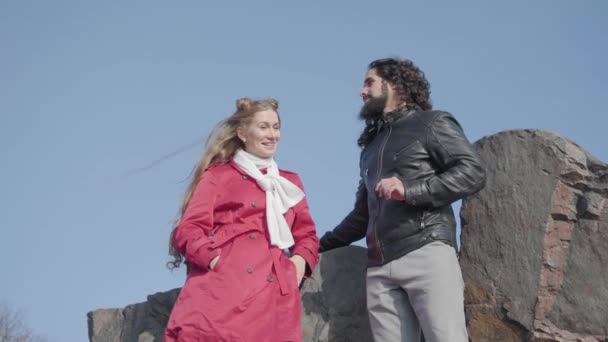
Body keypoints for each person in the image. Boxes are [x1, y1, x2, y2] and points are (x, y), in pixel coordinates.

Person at [318, 58, 486, 342]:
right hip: (380, 269)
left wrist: (410, 189)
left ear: (394, 84)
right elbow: (362, 216)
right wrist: (315, 247)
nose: (362, 91)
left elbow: (473, 171)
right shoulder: (371, 148)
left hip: (426, 252)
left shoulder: (431, 123)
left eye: (369, 82)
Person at [164, 98, 319, 342]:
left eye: (276, 127)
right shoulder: (219, 175)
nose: (272, 135)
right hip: (224, 291)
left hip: (273, 294)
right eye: (263, 127)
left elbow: (306, 235)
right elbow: (189, 228)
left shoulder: (290, 182)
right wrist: (215, 259)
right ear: (242, 133)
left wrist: (298, 265)